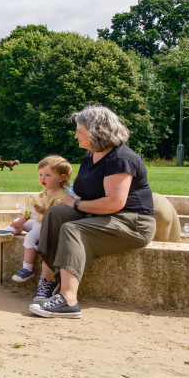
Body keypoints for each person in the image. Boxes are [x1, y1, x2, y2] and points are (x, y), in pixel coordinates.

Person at [29, 105, 156, 319]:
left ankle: (69, 301)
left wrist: (77, 205)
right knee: (55, 214)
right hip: (104, 217)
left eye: (80, 131)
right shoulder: (92, 155)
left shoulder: (120, 159)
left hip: (132, 223)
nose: (76, 135)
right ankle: (48, 281)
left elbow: (114, 203)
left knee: (72, 229)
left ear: (96, 131)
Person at [0, 155, 72, 283]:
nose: (42, 178)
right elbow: (31, 212)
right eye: (40, 174)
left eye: (47, 175)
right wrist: (20, 221)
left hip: (46, 226)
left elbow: (59, 216)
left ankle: (27, 269)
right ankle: (12, 231)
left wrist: (44, 211)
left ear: (62, 178)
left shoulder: (62, 196)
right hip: (38, 222)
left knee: (30, 237)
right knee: (17, 222)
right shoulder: (44, 193)